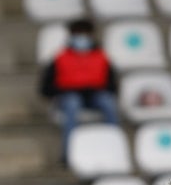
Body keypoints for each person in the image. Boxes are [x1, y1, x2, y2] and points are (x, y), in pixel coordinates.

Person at [39, 17, 119, 165]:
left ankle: (115, 149)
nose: (81, 37)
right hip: (68, 96)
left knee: (108, 103)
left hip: (94, 96)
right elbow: (45, 88)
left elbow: (112, 85)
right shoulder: (60, 57)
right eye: (78, 33)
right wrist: (63, 89)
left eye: (85, 33)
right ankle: (68, 154)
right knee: (72, 103)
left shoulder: (101, 56)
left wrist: (94, 88)